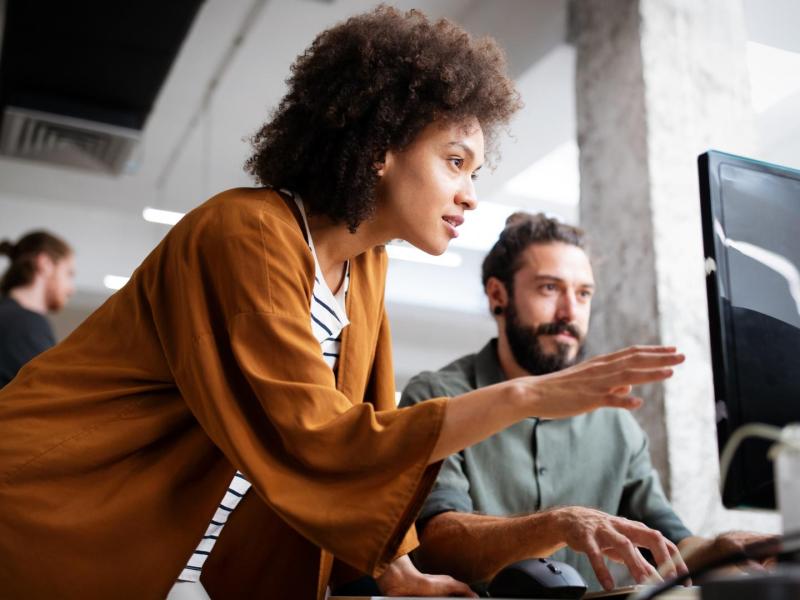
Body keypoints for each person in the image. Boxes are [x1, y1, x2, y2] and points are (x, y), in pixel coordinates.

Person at [0, 9, 685, 600]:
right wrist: (525, 396)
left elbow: (372, 437)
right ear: (381, 146)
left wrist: (401, 574)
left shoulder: (365, 268)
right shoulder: (248, 234)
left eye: (476, 173)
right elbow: (322, 438)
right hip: (54, 517)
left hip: (180, 559)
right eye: (454, 162)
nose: (471, 195)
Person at [400, 212, 774, 593]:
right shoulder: (437, 397)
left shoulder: (615, 420)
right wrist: (557, 524)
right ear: (498, 295)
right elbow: (436, 545)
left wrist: (721, 550)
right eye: (549, 288)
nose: (569, 313)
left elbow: (668, 539)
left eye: (583, 294)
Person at [0, 230, 75, 388]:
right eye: (69, 274)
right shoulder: (25, 323)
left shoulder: (10, 316)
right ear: (45, 263)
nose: (71, 289)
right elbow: (53, 393)